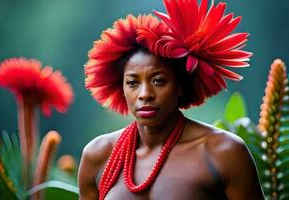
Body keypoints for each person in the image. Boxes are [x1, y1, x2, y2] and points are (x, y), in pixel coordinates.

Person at [79, 0, 265, 199]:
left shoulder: (223, 151)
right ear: (121, 88)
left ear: (181, 87)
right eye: (132, 83)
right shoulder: (98, 154)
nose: (144, 94)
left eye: (158, 81)